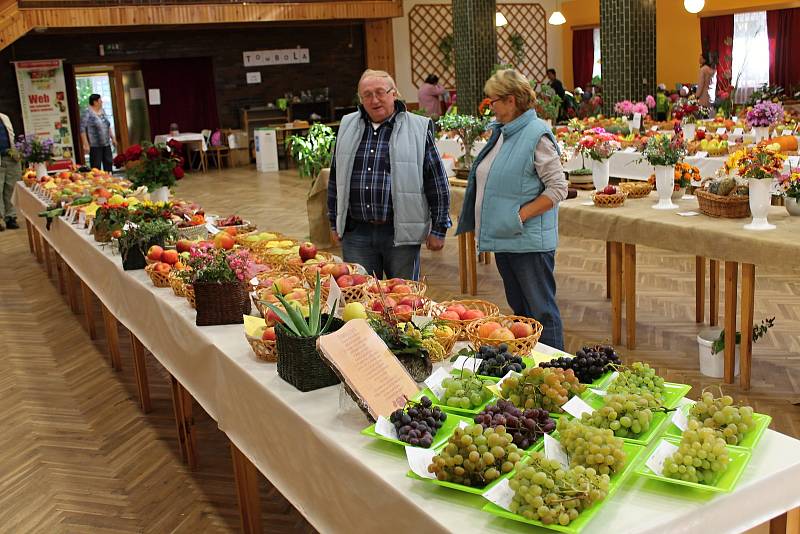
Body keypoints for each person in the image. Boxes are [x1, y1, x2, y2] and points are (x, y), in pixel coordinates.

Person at [456, 69, 568, 349]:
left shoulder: (536, 134)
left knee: (541, 312)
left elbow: (557, 188)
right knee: (521, 315)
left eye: (492, 101)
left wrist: (519, 216)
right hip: (507, 238)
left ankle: (556, 367)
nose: (489, 107)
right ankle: (530, 366)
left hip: (528, 242)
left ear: (511, 100)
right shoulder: (504, 133)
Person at [328, 69, 450, 281]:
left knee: (403, 302)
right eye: (367, 95)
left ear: (394, 93)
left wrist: (439, 228)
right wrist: (333, 222)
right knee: (361, 300)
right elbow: (335, 179)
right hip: (356, 233)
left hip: (400, 235)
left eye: (380, 92)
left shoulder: (417, 128)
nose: (374, 100)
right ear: (360, 99)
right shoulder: (347, 125)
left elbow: (437, 181)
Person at [80, 94, 116, 171]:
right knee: (96, 166)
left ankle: (109, 181)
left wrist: (113, 138)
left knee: (109, 163)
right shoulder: (87, 112)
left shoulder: (102, 111)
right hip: (94, 144)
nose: (102, 102)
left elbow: (107, 125)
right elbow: (82, 129)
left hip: (106, 143)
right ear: (95, 102)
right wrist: (85, 144)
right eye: (100, 101)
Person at [0, 112, 21, 231]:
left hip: (11, 157)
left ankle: (10, 217)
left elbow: (13, 136)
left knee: (11, 188)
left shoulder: (4, 117)